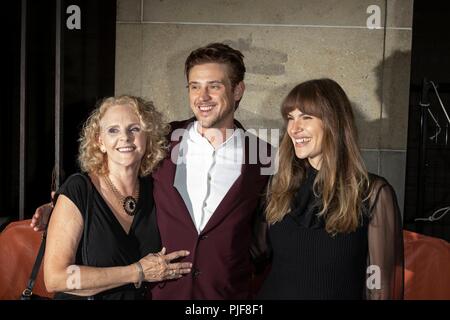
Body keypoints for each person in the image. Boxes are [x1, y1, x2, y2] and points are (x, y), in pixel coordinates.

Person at [32, 43, 272, 300]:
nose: (202, 97)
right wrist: (60, 207)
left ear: (238, 90)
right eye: (194, 86)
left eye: (214, 86)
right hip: (161, 295)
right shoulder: (162, 141)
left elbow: (270, 230)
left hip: (226, 295)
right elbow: (107, 180)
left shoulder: (264, 157)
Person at [257, 78, 404, 299]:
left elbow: (379, 285)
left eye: (306, 117)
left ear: (333, 123)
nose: (294, 129)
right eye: (290, 118)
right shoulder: (278, 185)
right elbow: (250, 254)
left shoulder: (373, 193)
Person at [43, 95, 192, 300]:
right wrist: (137, 272)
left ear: (147, 138)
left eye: (134, 129)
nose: (125, 137)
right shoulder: (79, 189)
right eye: (113, 130)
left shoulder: (156, 190)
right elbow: (56, 278)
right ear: (100, 142)